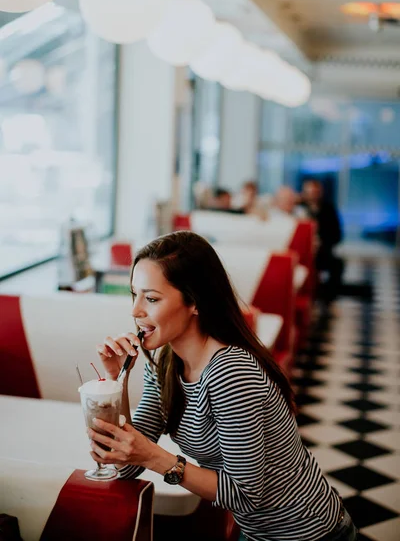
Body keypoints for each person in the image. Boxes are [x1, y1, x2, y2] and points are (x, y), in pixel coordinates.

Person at [88, 231, 357, 541]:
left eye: (151, 298)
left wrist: (153, 457)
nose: (135, 310)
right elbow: (124, 466)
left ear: (195, 302)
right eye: (134, 294)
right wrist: (115, 381)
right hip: (258, 532)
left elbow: (244, 495)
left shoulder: (230, 372)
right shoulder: (164, 361)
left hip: (310, 533)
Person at [300, 179, 344, 302]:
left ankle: (329, 300)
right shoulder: (299, 209)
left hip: (322, 251)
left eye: (314, 192)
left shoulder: (329, 210)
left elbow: (337, 235)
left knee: (337, 265)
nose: (311, 196)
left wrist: (322, 243)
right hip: (302, 254)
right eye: (308, 192)